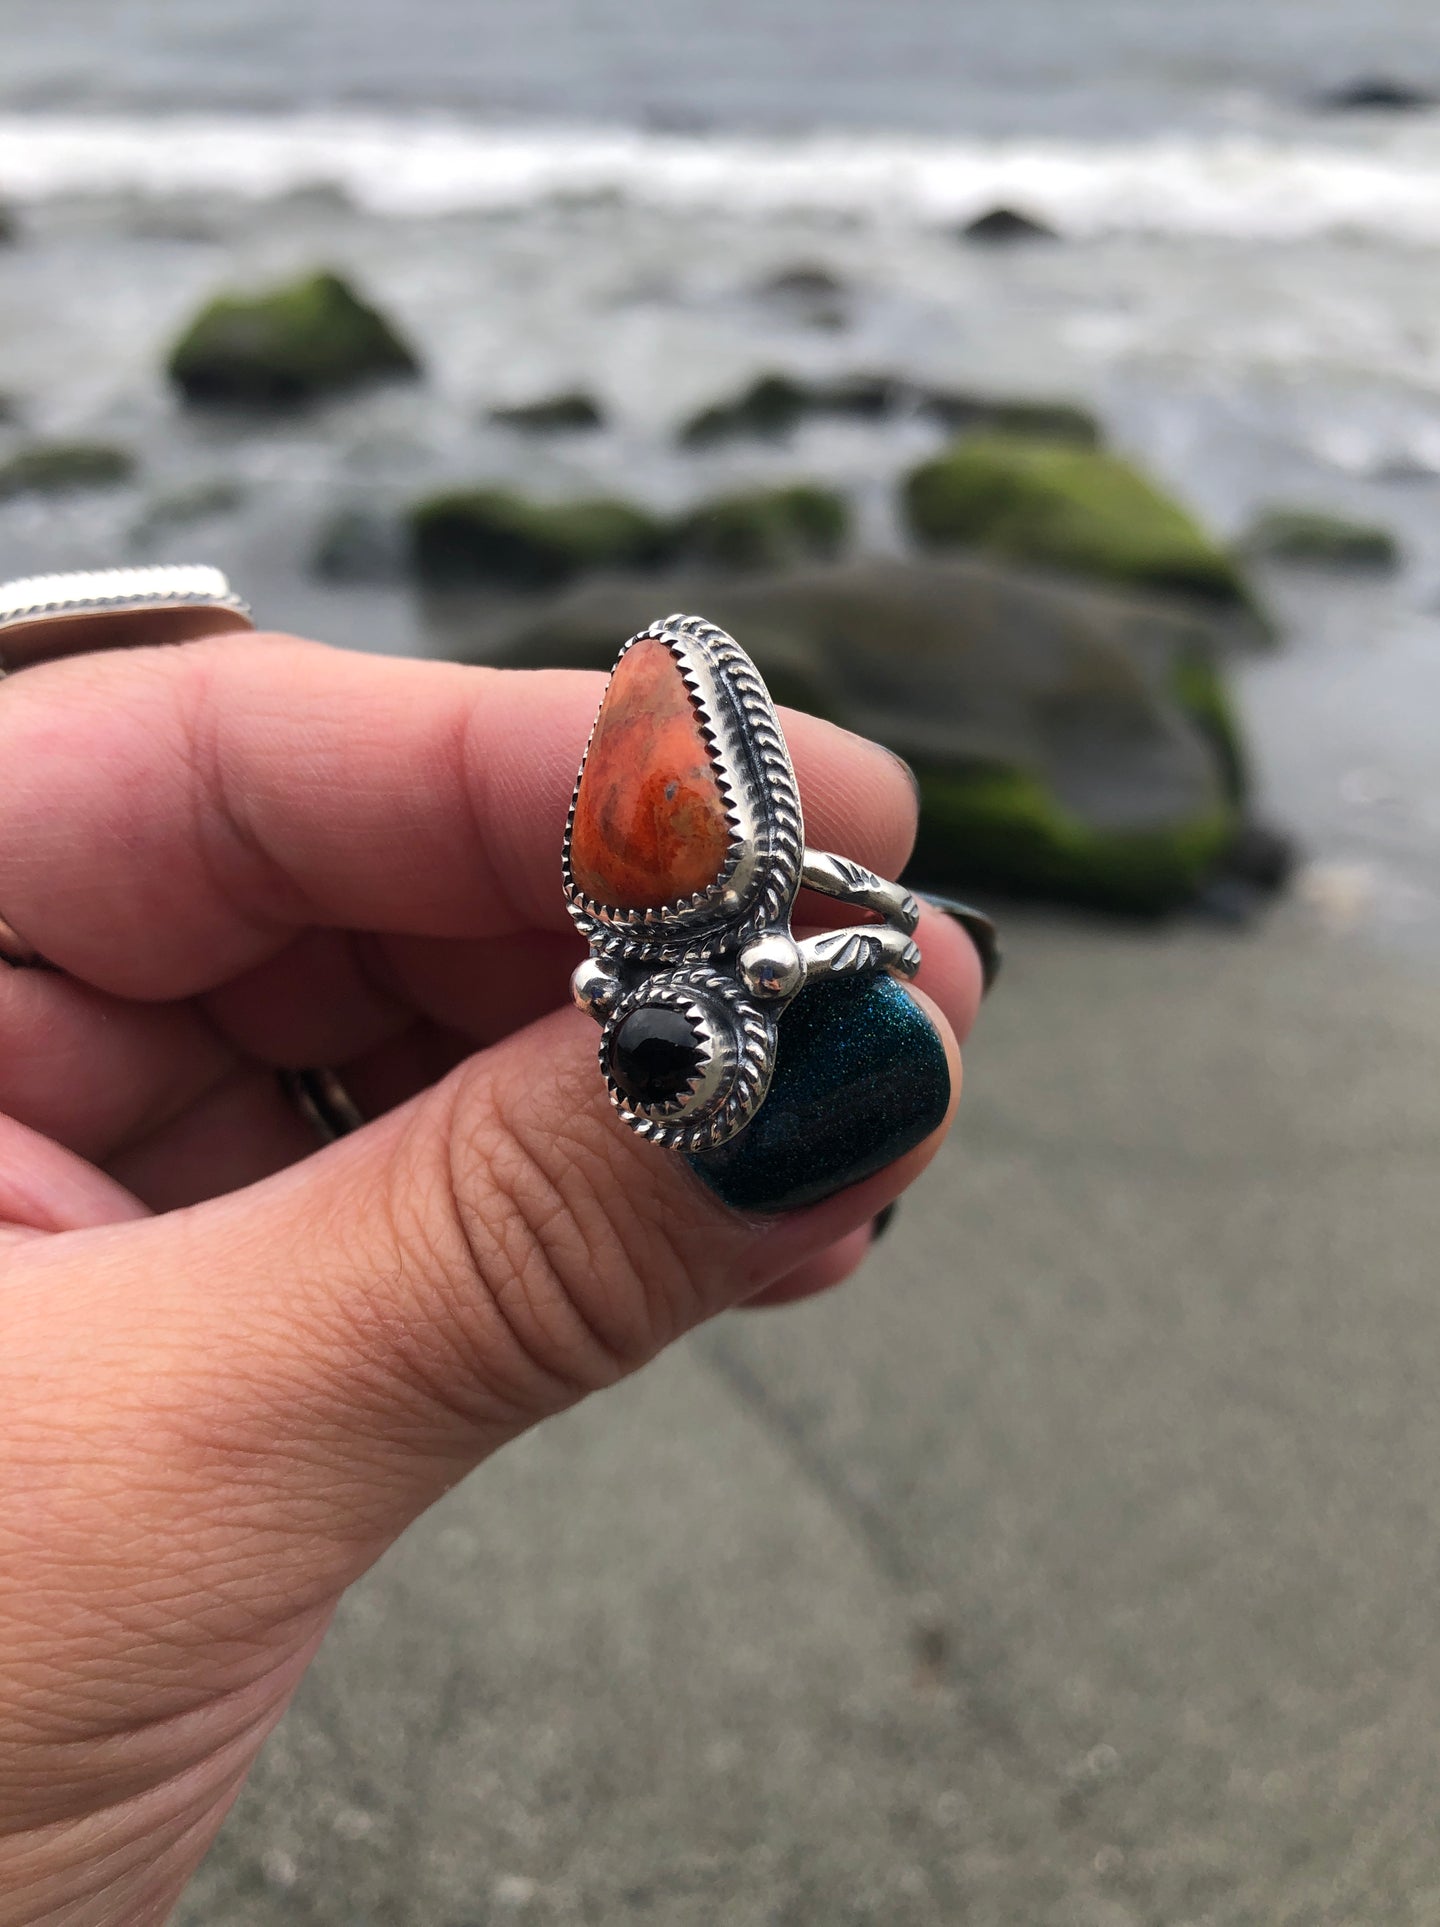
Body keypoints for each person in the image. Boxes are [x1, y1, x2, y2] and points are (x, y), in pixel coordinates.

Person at [0, 629, 981, 1919]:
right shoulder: (680, 942)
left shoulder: (660, 925)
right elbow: (866, 942)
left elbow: (856, 937)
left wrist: (863, 932)